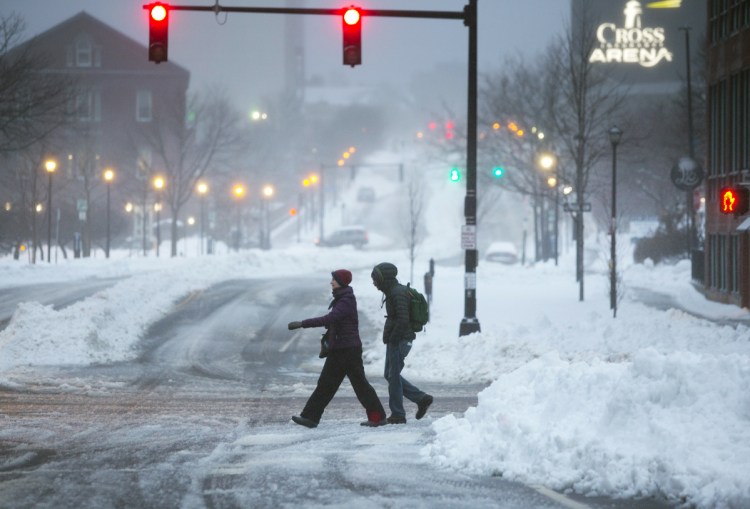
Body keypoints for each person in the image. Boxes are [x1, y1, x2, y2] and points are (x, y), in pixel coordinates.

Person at [287, 269, 387, 428]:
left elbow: (331, 318)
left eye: (334, 279)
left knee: (358, 385)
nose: (331, 282)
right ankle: (310, 417)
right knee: (327, 384)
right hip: (341, 349)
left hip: (348, 350)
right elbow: (335, 321)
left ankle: (377, 417)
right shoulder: (343, 298)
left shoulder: (346, 300)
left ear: (341, 282)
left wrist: (302, 323)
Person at [371, 262, 433, 424]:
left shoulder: (397, 293)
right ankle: (421, 399)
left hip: (400, 340)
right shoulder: (392, 292)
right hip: (398, 339)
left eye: (375, 279)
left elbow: (403, 319)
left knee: (393, 376)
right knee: (390, 375)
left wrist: (393, 338)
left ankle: (398, 414)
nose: (374, 283)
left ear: (384, 278)